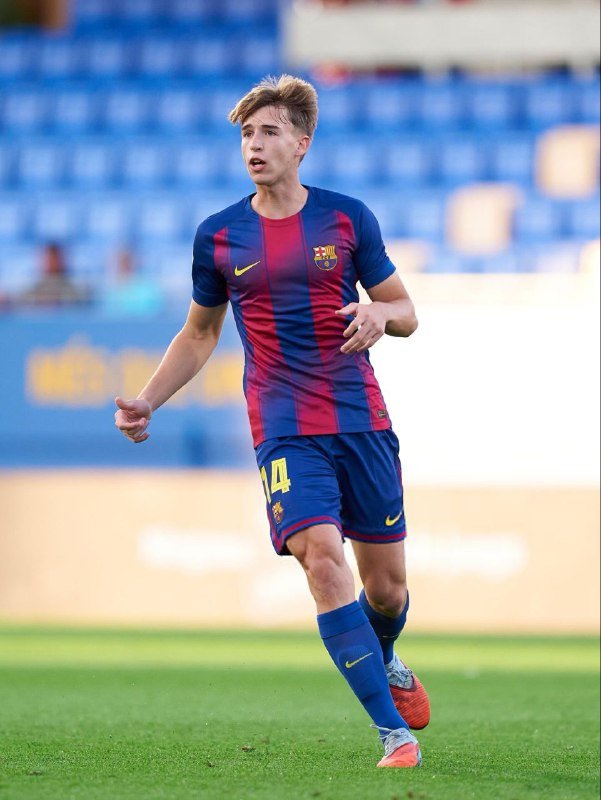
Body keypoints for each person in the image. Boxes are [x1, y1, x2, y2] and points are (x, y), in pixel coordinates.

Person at [114, 75, 429, 769]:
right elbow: (200, 333)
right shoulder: (219, 235)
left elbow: (407, 311)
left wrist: (380, 313)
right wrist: (148, 400)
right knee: (321, 559)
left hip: (360, 419)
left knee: (386, 590)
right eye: (246, 135)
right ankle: (393, 734)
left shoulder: (347, 219)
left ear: (302, 143)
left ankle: (384, 654)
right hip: (283, 427)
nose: (253, 146)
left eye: (269, 132)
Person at [17, 242, 90, 308]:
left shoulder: (76, 292)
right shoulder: (32, 292)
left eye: (55, 258)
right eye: (49, 259)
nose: (52, 263)